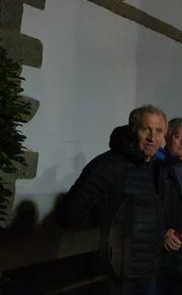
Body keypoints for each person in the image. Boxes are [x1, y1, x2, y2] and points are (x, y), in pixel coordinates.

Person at [61, 105, 167, 294]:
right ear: (133, 130)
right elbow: (70, 214)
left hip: (146, 273)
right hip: (112, 277)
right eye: (146, 129)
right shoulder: (106, 166)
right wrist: (104, 250)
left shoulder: (155, 169)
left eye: (158, 131)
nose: (152, 138)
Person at [156, 118, 182, 294]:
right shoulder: (157, 168)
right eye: (178, 136)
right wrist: (161, 232)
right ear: (167, 136)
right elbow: (147, 208)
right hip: (164, 255)